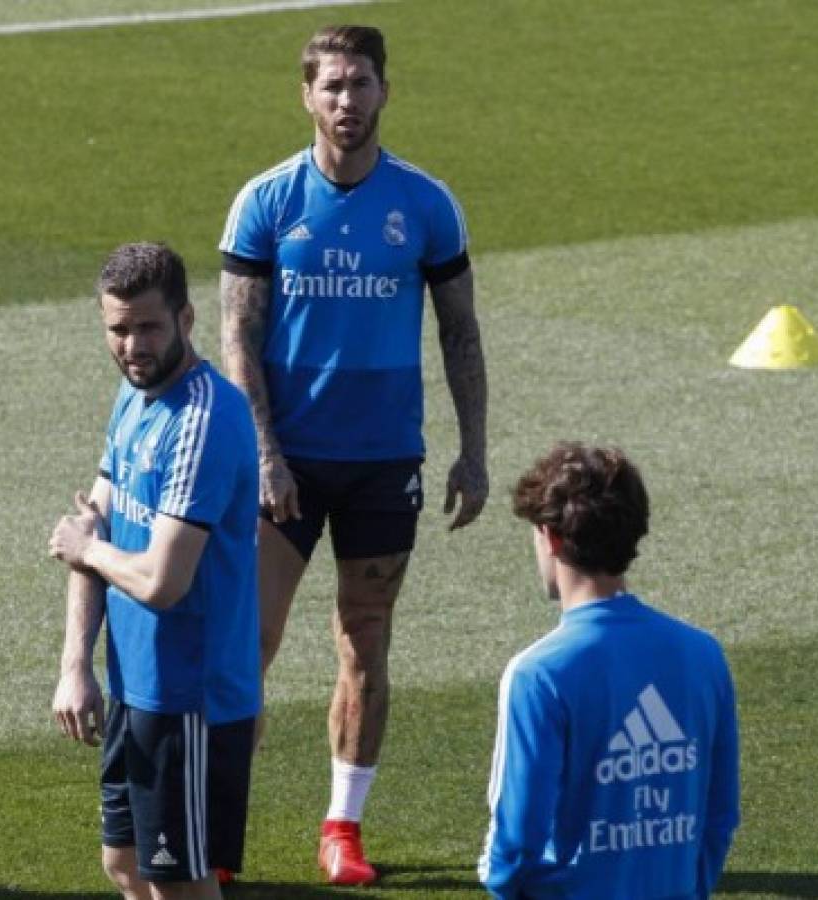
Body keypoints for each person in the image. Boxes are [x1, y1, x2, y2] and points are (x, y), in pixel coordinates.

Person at [218, 24, 488, 886]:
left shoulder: (427, 204)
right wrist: (263, 450)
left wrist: (472, 450)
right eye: (331, 85)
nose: (346, 101)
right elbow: (238, 336)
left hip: (383, 463)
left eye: (360, 83)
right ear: (307, 95)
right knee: (246, 645)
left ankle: (343, 827)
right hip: (288, 460)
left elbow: (459, 331)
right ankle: (220, 831)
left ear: (384, 92)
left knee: (365, 640)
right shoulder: (266, 202)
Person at [49, 242, 261, 900]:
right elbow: (97, 521)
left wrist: (86, 550)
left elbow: (162, 583)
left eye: (149, 327)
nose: (133, 345)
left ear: (187, 319)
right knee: (124, 866)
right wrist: (76, 664)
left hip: (188, 699)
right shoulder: (133, 397)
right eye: (118, 329)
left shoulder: (205, 419)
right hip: (134, 687)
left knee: (181, 887)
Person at [479, 442, 740, 899]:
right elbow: (719, 816)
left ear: (551, 537)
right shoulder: (703, 655)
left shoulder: (538, 675)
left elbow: (515, 847)